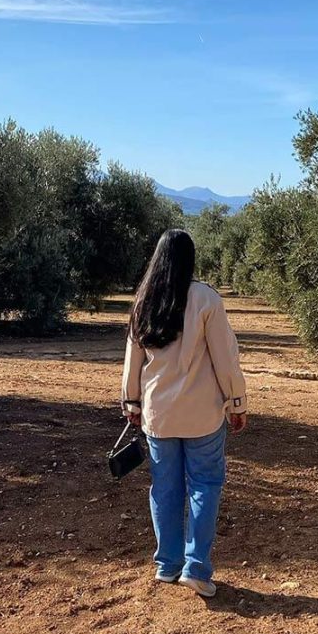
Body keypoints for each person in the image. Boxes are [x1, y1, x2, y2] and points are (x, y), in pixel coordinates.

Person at [121, 229, 249, 598]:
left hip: (158, 415)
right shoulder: (206, 298)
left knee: (165, 488)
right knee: (205, 486)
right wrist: (236, 403)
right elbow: (226, 357)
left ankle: (167, 565)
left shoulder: (143, 299)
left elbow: (133, 360)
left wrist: (131, 402)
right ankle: (195, 568)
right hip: (203, 414)